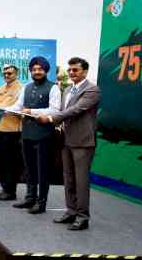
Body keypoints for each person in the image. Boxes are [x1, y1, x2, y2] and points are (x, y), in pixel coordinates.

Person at [38, 57, 101, 231]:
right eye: (70, 70)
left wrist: (51, 118)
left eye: (76, 70)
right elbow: (62, 111)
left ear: (85, 72)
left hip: (83, 142)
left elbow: (75, 110)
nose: (72, 72)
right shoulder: (66, 90)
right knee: (68, 178)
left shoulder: (92, 90)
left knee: (81, 181)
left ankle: (82, 217)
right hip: (66, 140)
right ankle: (71, 211)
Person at [3, 56, 61, 213]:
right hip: (27, 134)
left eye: (40, 69)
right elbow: (18, 106)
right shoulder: (26, 88)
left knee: (42, 170)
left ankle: (41, 203)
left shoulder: (53, 87)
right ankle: (30, 198)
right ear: (30, 71)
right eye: (34, 69)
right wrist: (3, 110)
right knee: (29, 169)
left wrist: (32, 111)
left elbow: (55, 110)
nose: (37, 72)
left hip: (44, 135)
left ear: (46, 70)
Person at [0, 64, 23, 200]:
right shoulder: (1, 88)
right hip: (0, 129)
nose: (7, 75)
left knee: (11, 163)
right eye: (5, 73)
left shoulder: (21, 89)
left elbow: (18, 108)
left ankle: (11, 191)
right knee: (2, 161)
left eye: (10, 73)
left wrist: (2, 108)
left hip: (13, 131)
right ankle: (4, 189)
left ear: (16, 74)